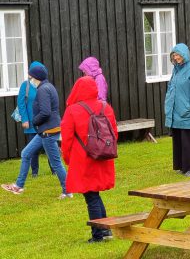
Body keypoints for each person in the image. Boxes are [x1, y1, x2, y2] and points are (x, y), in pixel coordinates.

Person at [61, 76, 117, 243]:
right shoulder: (106, 107)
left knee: (91, 196)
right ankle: (106, 230)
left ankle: (97, 235)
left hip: (83, 158)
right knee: (95, 194)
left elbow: (67, 139)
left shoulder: (72, 110)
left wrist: (68, 158)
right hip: (102, 156)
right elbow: (114, 133)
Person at [1, 63, 71, 198]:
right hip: (46, 131)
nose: (29, 79)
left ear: (36, 77)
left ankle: (68, 191)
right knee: (26, 153)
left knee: (56, 163)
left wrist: (34, 122)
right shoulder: (49, 86)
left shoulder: (43, 90)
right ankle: (18, 186)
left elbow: (45, 112)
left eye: (31, 77)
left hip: (48, 132)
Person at [164, 43, 190, 177]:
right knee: (178, 141)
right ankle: (181, 166)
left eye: (178, 54)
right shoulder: (175, 70)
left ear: (184, 54)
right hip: (176, 113)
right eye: (174, 55)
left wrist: (189, 107)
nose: (176, 57)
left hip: (187, 113)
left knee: (188, 142)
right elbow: (171, 89)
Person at [17, 61, 55, 177]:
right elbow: (21, 103)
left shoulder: (45, 86)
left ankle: (54, 170)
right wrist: (25, 119)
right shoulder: (26, 85)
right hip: (32, 123)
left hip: (45, 122)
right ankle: (34, 172)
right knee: (33, 149)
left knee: (49, 146)